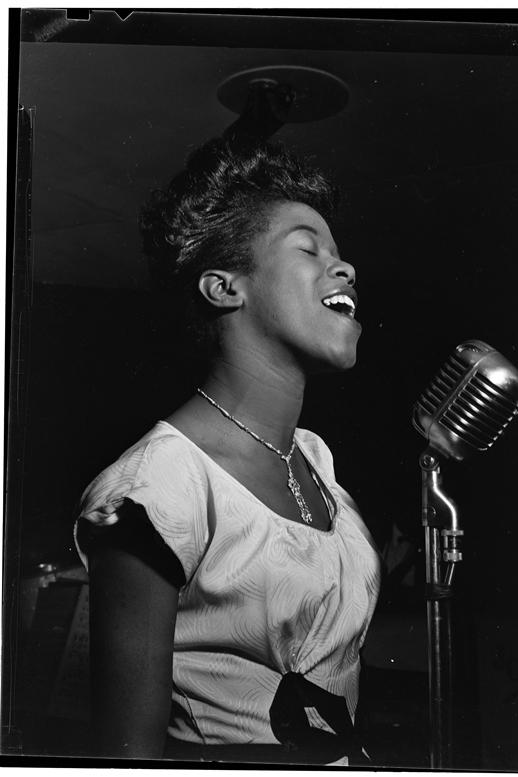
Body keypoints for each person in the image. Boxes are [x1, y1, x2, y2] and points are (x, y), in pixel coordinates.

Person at [74, 138, 382, 765]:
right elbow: (125, 759)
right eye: (308, 248)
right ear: (223, 287)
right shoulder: (157, 488)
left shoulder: (315, 464)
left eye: (340, 253)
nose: (344, 268)